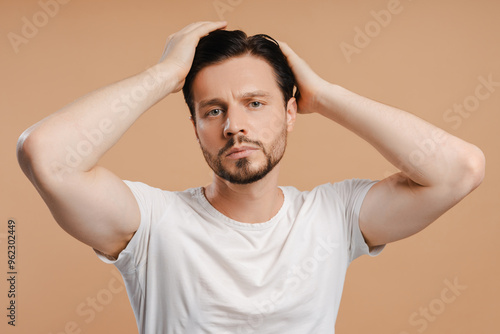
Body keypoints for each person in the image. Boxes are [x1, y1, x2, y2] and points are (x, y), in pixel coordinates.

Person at [17, 21, 485, 333]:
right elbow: (46, 156)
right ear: (197, 126)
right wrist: (163, 75)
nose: (234, 125)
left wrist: (325, 95)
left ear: (290, 112)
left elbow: (459, 170)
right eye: (213, 110)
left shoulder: (332, 216)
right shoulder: (152, 224)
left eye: (255, 103)